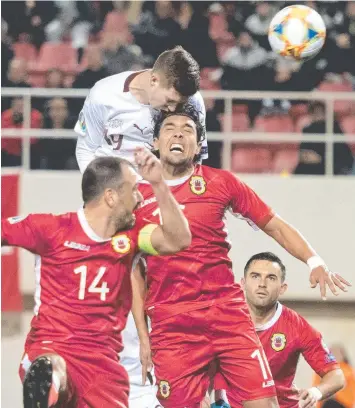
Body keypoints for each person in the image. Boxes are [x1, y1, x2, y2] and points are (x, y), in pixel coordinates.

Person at [133, 105, 350, 408]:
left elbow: (273, 224)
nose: (179, 133)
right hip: (173, 324)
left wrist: (314, 260)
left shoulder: (221, 183)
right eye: (170, 128)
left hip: (226, 314)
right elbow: (134, 271)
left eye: (188, 129)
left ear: (198, 145)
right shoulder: (136, 197)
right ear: (155, 142)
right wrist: (142, 336)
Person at [1, 148, 191, 408]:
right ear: (111, 197)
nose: (138, 199)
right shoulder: (51, 229)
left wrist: (159, 184)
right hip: (54, 346)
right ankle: (50, 383)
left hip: (104, 366)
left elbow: (179, 239)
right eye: (134, 190)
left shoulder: (132, 237)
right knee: (52, 368)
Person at [215, 252, 345, 407]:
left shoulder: (296, 325)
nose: (262, 283)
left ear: (282, 288)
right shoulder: (223, 320)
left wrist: (315, 392)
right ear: (242, 283)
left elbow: (336, 376)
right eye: (255, 276)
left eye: (271, 278)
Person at [74, 45, 208, 172]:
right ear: (154, 80)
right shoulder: (103, 93)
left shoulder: (193, 100)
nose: (173, 109)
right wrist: (96, 190)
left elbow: (196, 157)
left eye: (179, 104)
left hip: (163, 190)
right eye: (170, 101)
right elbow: (86, 149)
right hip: (115, 186)